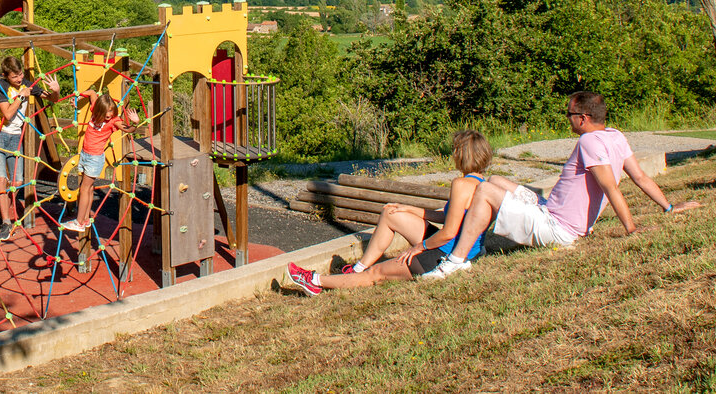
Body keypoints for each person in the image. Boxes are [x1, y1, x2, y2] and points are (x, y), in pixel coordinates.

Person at [423, 91, 702, 280]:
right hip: (549, 210)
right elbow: (639, 177)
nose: (567, 118)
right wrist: (669, 207)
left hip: (557, 228)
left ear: (583, 118)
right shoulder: (615, 136)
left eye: (569, 114)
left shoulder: (588, 142)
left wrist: (631, 229)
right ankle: (475, 243)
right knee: (495, 180)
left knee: (484, 189)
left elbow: (610, 188)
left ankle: (456, 261)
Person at [285, 129, 492, 296]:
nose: (453, 154)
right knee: (391, 213)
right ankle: (357, 268)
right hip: (455, 249)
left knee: (376, 274)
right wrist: (410, 208)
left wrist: (419, 247)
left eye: (455, 150)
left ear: (462, 154)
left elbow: (448, 232)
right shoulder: (482, 185)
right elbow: (452, 220)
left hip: (442, 255)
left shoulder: (460, 184)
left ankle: (314, 281)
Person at [0, 55, 60, 237]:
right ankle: (6, 222)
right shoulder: (1, 86)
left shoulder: (26, 85)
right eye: (15, 77)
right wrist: (21, 98)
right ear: (6, 76)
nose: (19, 79)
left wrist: (55, 91)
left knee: (18, 182)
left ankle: (0, 214)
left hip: (15, 136)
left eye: (20, 74)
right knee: (1, 179)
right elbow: (7, 114)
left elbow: (53, 99)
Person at [59, 92, 140, 232]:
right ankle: (85, 219)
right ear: (99, 110)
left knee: (84, 188)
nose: (109, 114)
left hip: (94, 158)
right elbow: (91, 92)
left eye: (111, 110)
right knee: (88, 188)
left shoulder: (114, 121)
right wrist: (78, 97)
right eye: (106, 111)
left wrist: (135, 122)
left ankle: (78, 222)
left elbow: (129, 130)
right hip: (85, 154)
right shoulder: (95, 110)